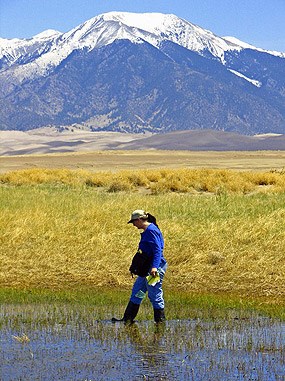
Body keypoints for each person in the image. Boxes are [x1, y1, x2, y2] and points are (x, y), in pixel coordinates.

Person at [113, 210, 167, 323]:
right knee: (138, 292)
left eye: (133, 222)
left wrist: (154, 268)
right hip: (145, 269)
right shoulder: (148, 230)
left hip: (154, 270)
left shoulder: (151, 231)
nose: (133, 224)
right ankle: (127, 320)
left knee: (154, 294)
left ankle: (160, 323)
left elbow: (157, 250)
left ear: (138, 220)